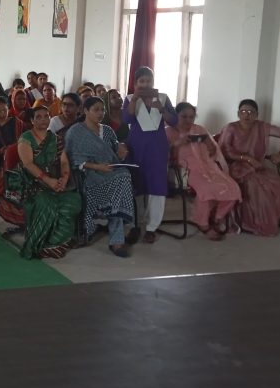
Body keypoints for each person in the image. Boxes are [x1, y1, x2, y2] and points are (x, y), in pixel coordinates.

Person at [65, 96, 137, 258]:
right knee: (122, 180)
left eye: (102, 110)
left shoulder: (108, 131)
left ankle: (116, 239)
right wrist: (98, 167)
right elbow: (74, 161)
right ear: (85, 111)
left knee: (123, 177)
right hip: (88, 176)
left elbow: (115, 152)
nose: (100, 113)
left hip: (111, 172)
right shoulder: (76, 132)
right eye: (96, 110)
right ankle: (116, 241)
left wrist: (121, 150)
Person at [11, 106, 83, 259]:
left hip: (54, 180)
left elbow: (64, 161)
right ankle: (38, 242)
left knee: (73, 200)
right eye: (38, 117)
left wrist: (64, 179)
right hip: (31, 183)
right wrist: (48, 180)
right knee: (46, 202)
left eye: (46, 116)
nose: (43, 119)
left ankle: (55, 242)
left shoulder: (56, 139)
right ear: (32, 120)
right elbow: (28, 164)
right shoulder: (26, 139)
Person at [218, 98, 280, 236]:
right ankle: (253, 223)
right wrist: (247, 158)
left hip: (256, 167)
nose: (247, 115)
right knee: (256, 187)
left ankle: (267, 219)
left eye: (251, 112)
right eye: (243, 112)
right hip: (234, 167)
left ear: (256, 115)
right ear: (238, 113)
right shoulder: (231, 128)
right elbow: (224, 152)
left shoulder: (261, 127)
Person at [167, 102, 241, 240]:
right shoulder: (169, 131)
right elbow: (163, 156)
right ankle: (203, 224)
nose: (188, 120)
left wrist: (208, 143)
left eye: (191, 117)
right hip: (184, 170)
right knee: (206, 190)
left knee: (233, 187)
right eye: (184, 117)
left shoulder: (199, 129)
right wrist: (176, 144)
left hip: (208, 167)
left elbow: (213, 152)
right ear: (176, 116)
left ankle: (217, 218)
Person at [122, 67, 176, 244]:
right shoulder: (129, 98)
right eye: (142, 81)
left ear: (153, 82)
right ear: (136, 83)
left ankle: (152, 227)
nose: (145, 84)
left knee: (156, 187)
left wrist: (162, 109)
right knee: (137, 185)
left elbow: (174, 120)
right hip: (137, 147)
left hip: (157, 148)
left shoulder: (163, 98)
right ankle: (135, 224)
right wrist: (135, 99)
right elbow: (127, 119)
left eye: (148, 81)